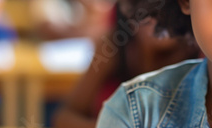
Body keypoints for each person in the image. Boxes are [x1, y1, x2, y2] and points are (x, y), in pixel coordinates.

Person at [52, 8, 200, 128]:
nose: (155, 19)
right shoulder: (113, 46)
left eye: (167, 9)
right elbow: (62, 118)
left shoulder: (201, 58)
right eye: (145, 7)